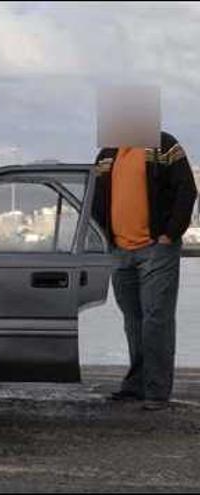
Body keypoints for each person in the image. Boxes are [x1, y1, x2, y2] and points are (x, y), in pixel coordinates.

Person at [92, 131, 198, 410]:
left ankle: (156, 392)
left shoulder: (163, 145)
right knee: (133, 319)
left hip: (156, 250)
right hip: (119, 251)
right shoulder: (107, 153)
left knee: (156, 319)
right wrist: (103, 236)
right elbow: (94, 196)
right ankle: (136, 384)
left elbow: (186, 190)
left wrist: (169, 235)